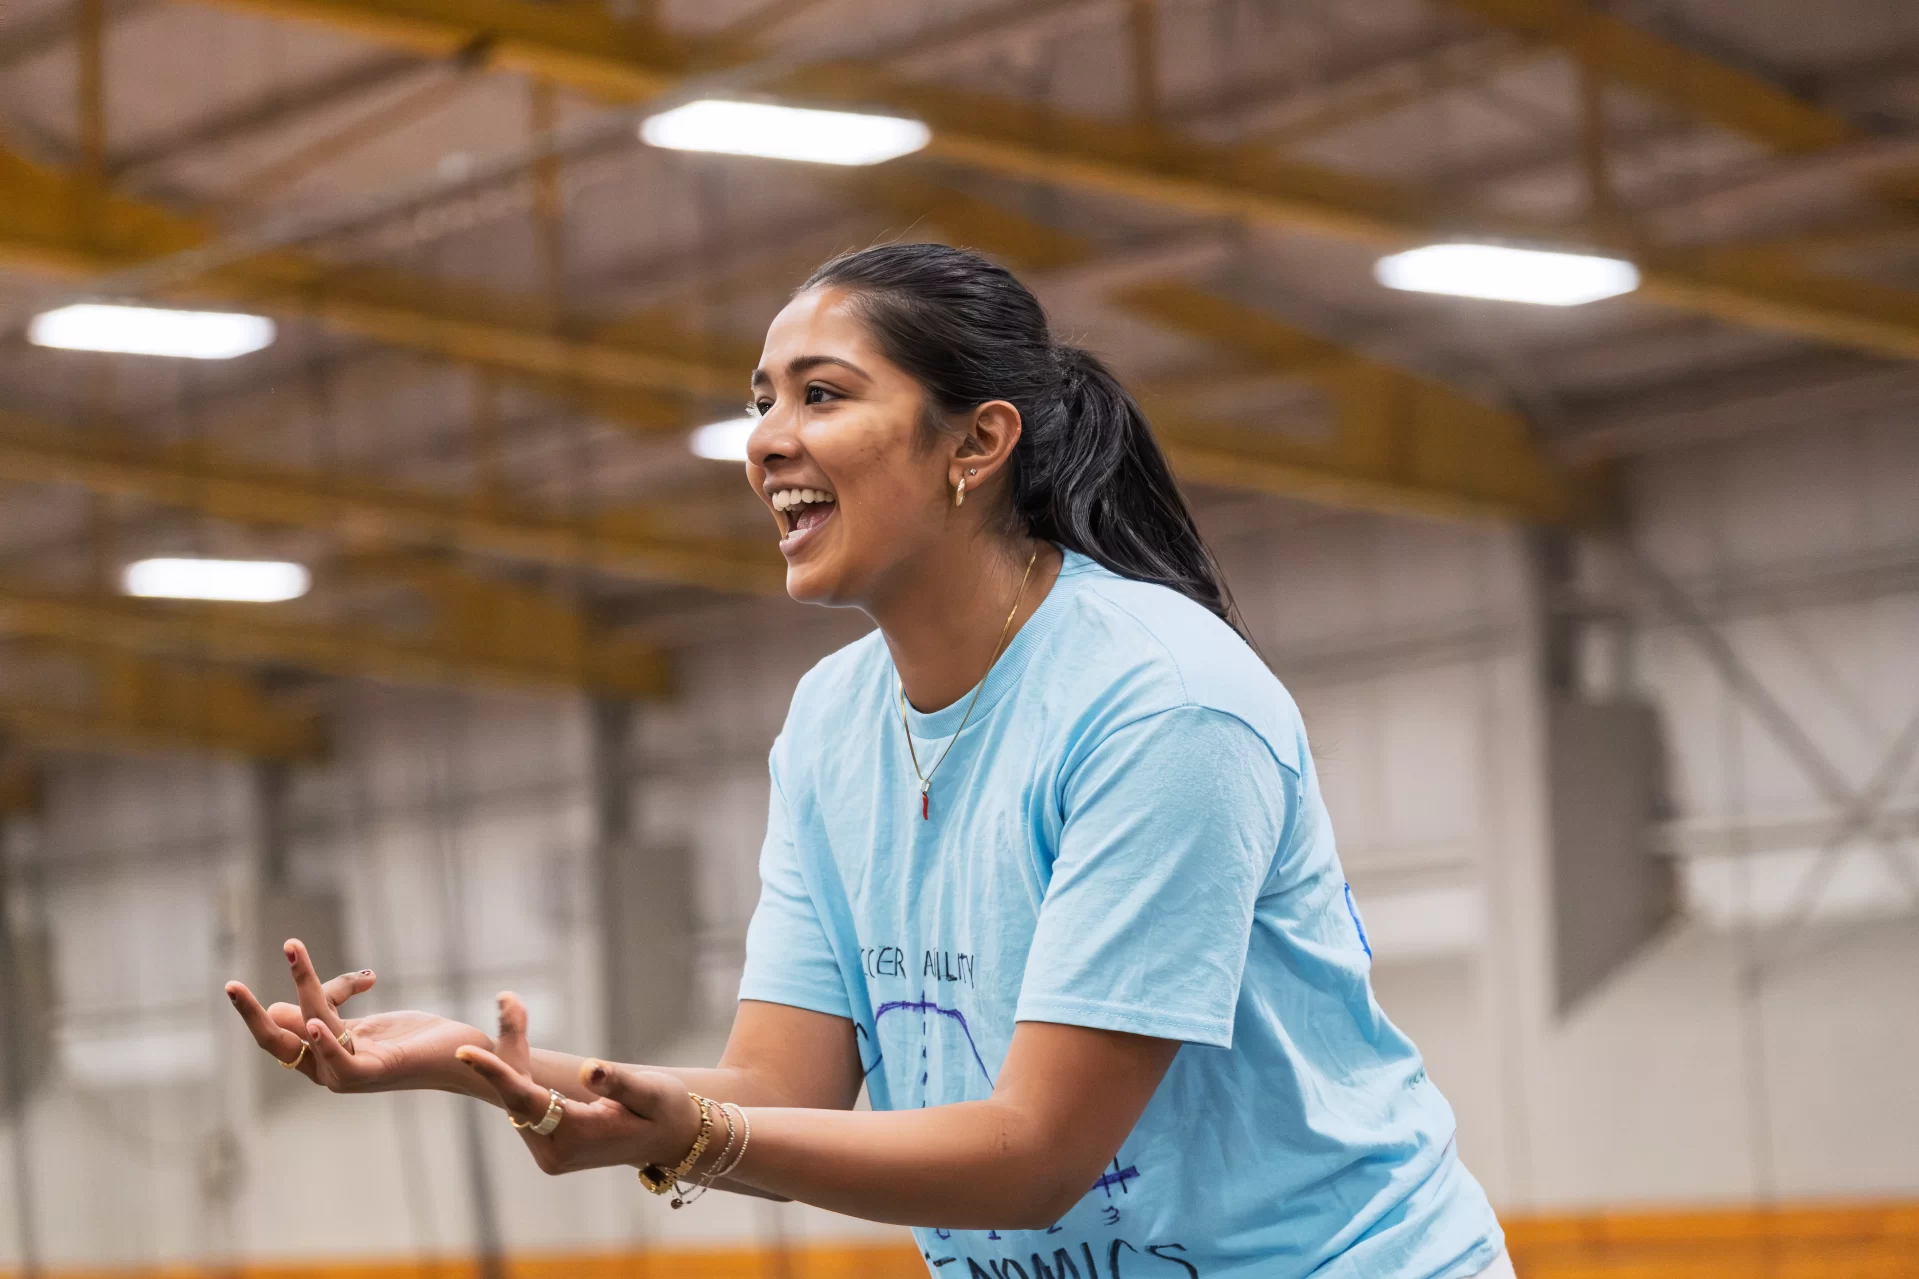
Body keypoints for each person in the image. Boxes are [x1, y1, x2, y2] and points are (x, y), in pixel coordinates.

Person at [226, 243, 1510, 1278]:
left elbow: (1034, 1154)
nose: (767, 439)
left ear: (975, 442)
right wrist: (492, 1071)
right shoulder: (834, 720)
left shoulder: (1160, 702)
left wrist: (709, 1143)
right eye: (760, 399)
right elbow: (779, 1085)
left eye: (822, 394)